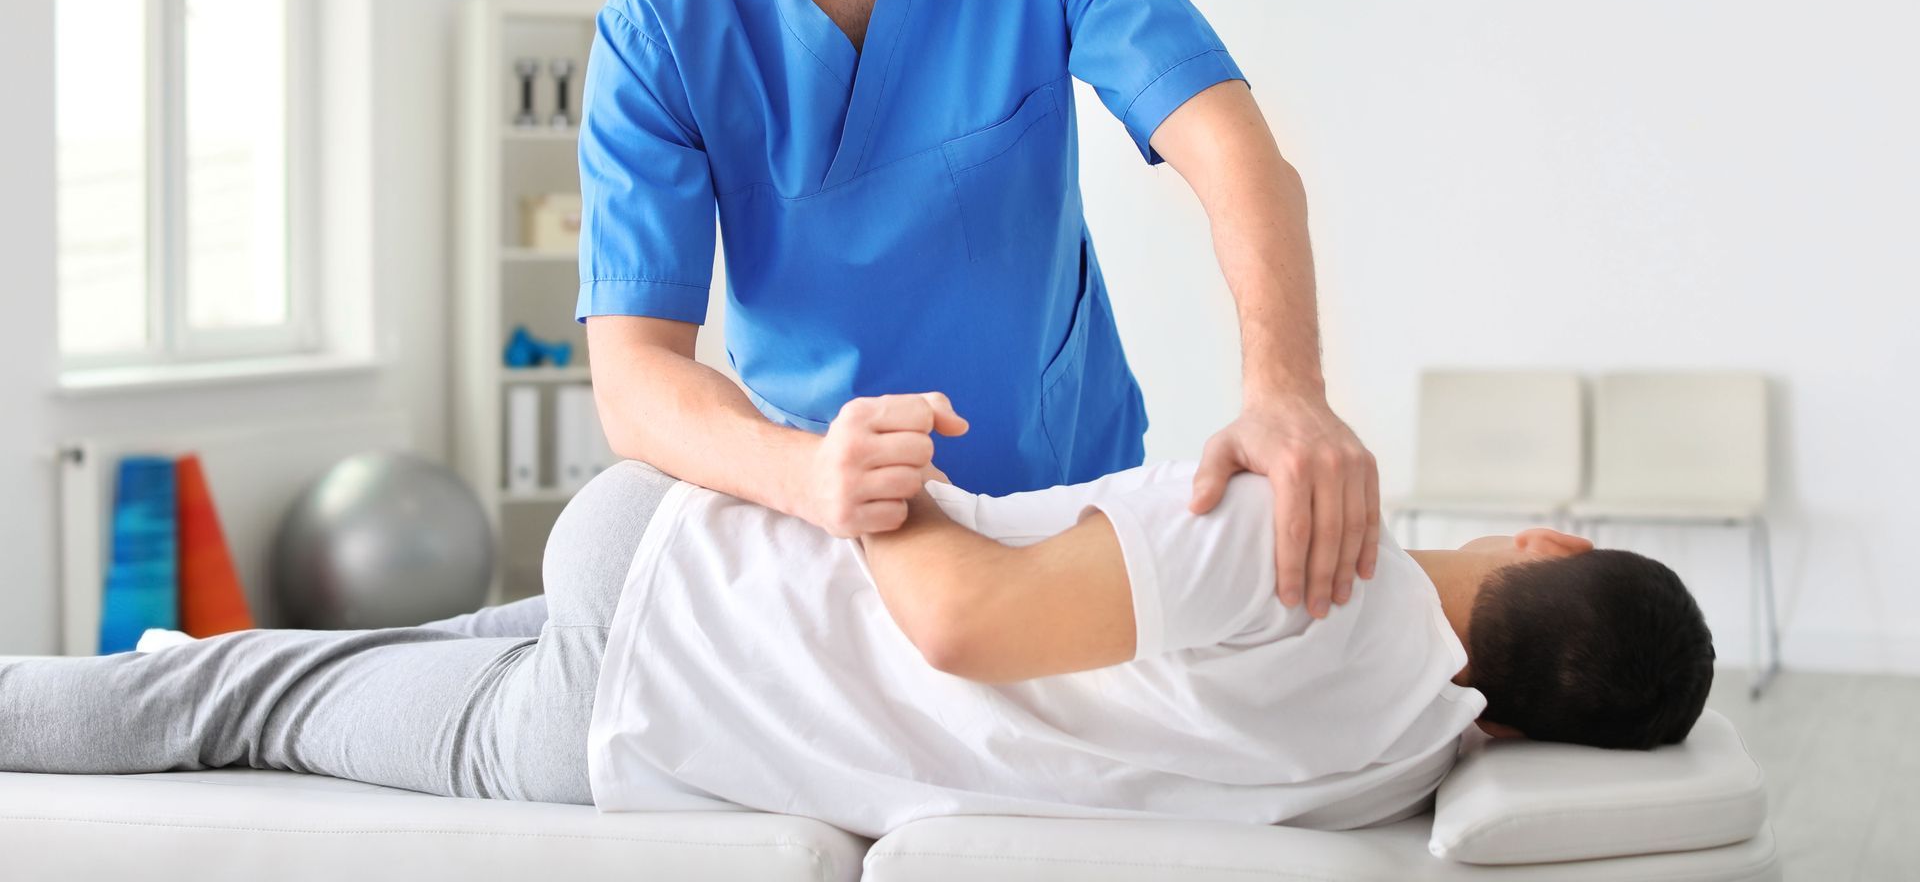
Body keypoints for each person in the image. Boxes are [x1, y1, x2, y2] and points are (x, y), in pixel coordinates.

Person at [579, 0, 1378, 625]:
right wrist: (807, 474)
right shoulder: (657, 31)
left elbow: (1232, 151)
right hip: (831, 530)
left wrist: (1287, 386)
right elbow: (633, 373)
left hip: (1070, 498)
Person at [0, 394, 1715, 838]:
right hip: (644, 715)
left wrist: (872, 459)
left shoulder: (1310, 549)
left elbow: (965, 624)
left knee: (218, 702)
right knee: (244, 692)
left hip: (679, 630)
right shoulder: (1395, 764)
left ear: (1553, 538)